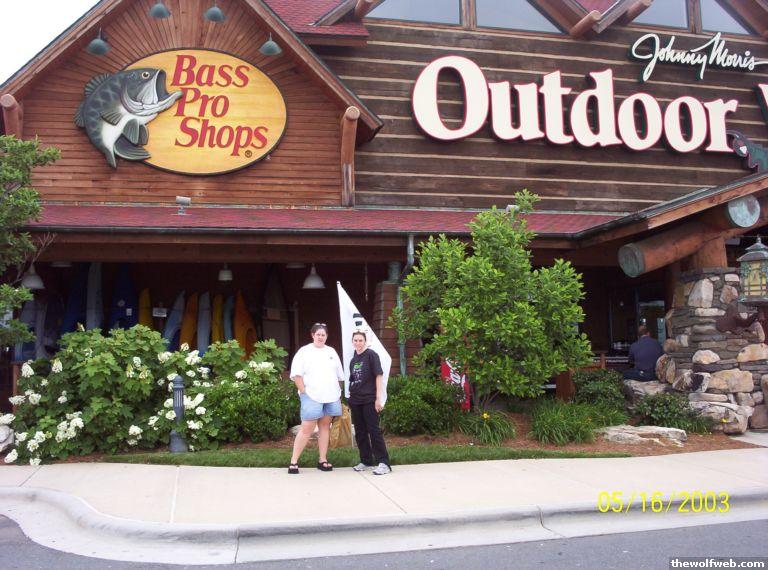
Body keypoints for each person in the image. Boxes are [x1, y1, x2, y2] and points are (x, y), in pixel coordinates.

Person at [288, 323, 345, 474]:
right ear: (312, 335)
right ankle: (293, 462)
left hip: (331, 396)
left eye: (323, 335)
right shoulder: (304, 351)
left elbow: (339, 376)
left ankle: (322, 460)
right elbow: (297, 375)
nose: (321, 337)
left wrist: (338, 393)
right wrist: (303, 392)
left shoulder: (331, 351)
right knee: (307, 428)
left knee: (325, 427)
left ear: (326, 336)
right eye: (318, 334)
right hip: (311, 396)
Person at [347, 330, 391, 475]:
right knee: (360, 432)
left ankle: (384, 462)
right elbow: (353, 379)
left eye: (360, 340)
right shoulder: (354, 359)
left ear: (365, 341)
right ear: (352, 342)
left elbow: (379, 376)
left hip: (369, 399)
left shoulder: (371, 355)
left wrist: (378, 398)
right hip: (355, 400)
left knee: (374, 431)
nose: (358, 343)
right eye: (355, 340)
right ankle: (366, 460)